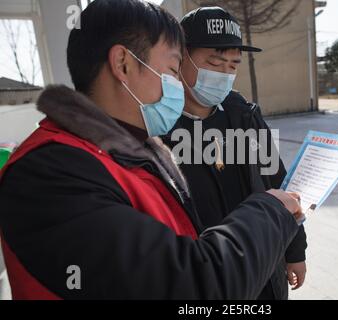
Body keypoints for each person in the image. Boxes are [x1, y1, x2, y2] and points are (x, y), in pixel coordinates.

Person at [0, 0, 302, 300]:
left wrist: (290, 245)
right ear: (123, 64)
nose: (177, 87)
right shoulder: (51, 174)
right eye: (172, 70)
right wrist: (271, 210)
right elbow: (193, 285)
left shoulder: (133, 151)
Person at [162, 7, 308, 300]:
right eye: (215, 62)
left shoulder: (244, 116)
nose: (224, 73)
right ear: (180, 59)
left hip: (264, 266)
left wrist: (295, 251)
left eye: (232, 65)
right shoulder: (160, 126)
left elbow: (278, 182)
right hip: (206, 281)